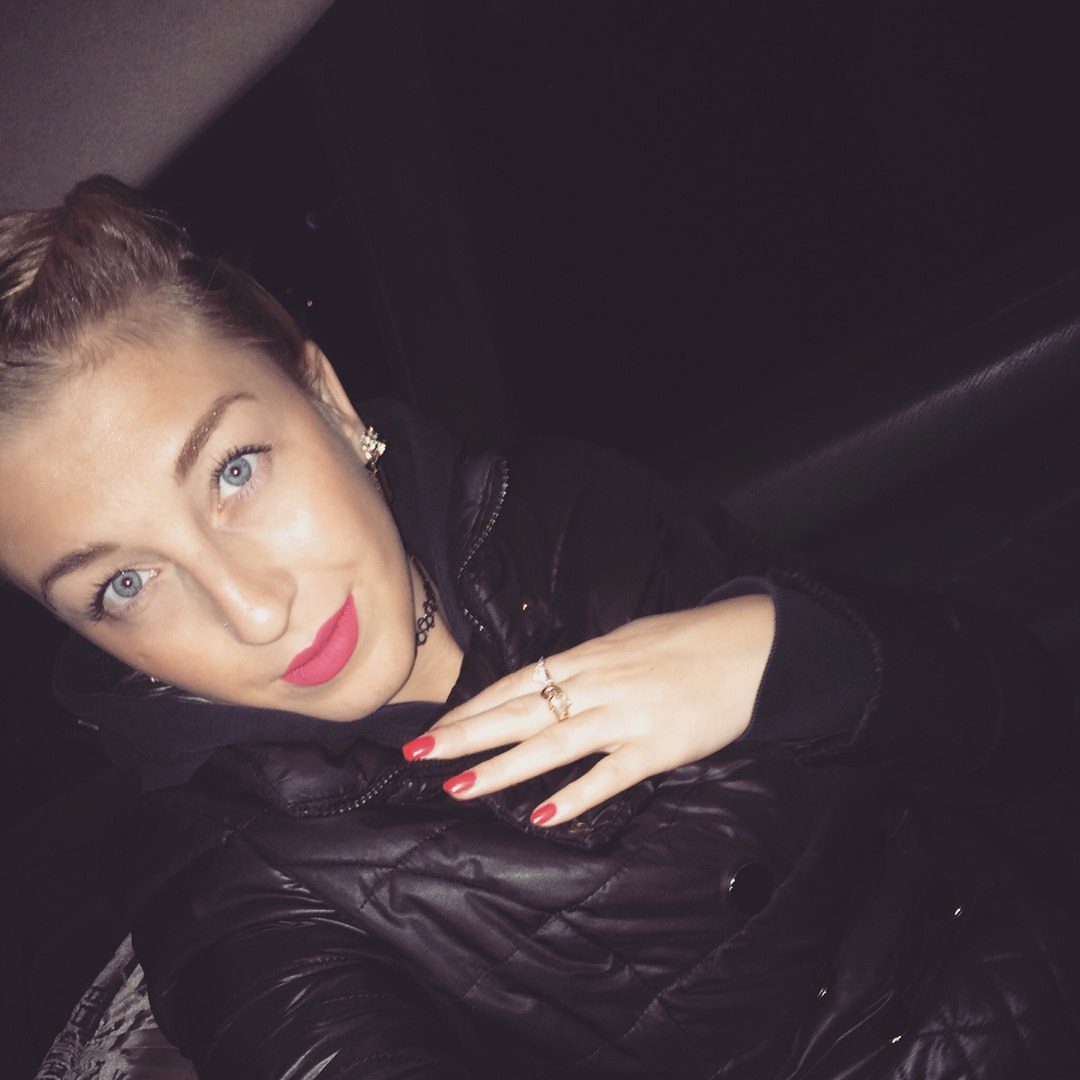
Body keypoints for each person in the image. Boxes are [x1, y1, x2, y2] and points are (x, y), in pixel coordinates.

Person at [1, 176, 1077, 1080]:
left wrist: (784, 653)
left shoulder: (560, 509)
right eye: (124, 586)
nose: (253, 610)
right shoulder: (220, 882)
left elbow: (1021, 712)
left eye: (235, 471)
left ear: (326, 398)